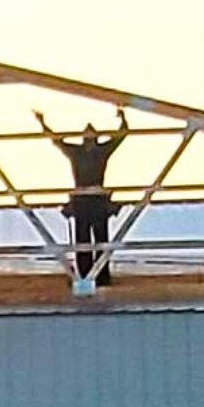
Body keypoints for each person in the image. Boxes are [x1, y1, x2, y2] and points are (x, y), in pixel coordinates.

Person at [33, 110, 128, 285]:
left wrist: (123, 118)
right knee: (88, 241)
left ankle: (96, 275)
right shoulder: (89, 152)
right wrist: (42, 123)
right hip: (88, 200)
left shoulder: (91, 152)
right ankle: (92, 275)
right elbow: (56, 140)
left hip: (90, 200)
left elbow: (122, 135)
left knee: (96, 241)